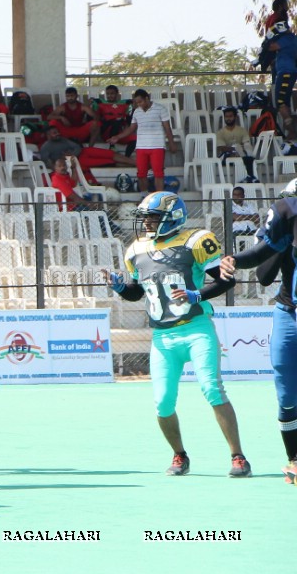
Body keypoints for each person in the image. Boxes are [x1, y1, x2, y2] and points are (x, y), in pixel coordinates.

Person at [104, 192, 250, 478]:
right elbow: (138, 292)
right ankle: (179, 455)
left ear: (172, 217)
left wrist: (196, 295)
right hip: (163, 338)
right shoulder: (136, 249)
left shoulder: (196, 240)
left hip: (196, 329)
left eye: (153, 217)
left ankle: (238, 456)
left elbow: (223, 280)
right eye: (145, 217)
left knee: (212, 389)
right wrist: (122, 288)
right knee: (162, 401)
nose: (146, 223)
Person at [219, 178, 297, 483]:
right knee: (287, 393)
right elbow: (263, 275)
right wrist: (234, 259)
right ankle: (294, 459)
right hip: (288, 312)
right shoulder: (284, 224)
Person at [109, 89, 179, 193]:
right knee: (141, 174)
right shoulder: (137, 111)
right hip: (141, 147)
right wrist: (118, 137)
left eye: (140, 102)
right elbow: (131, 128)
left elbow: (167, 128)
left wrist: (172, 143)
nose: (138, 104)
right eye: (136, 102)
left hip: (157, 146)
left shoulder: (160, 109)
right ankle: (144, 197)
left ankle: (158, 197)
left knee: (158, 173)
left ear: (147, 98)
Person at [38, 125, 137, 177]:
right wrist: (64, 161)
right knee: (109, 162)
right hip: (78, 162)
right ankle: (137, 164)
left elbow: (77, 147)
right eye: (54, 133)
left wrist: (72, 154)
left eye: (58, 132)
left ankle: (137, 163)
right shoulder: (45, 147)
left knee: (110, 154)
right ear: (48, 135)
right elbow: (47, 163)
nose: (58, 134)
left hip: (83, 152)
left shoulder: (63, 139)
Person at [216, 108, 258, 183]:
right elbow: (221, 148)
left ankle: (250, 177)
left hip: (240, 154)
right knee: (237, 148)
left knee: (246, 149)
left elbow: (246, 143)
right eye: (226, 116)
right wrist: (234, 149)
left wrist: (240, 150)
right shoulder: (220, 133)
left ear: (235, 117)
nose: (228, 118)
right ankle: (250, 176)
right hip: (226, 156)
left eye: (230, 116)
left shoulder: (242, 130)